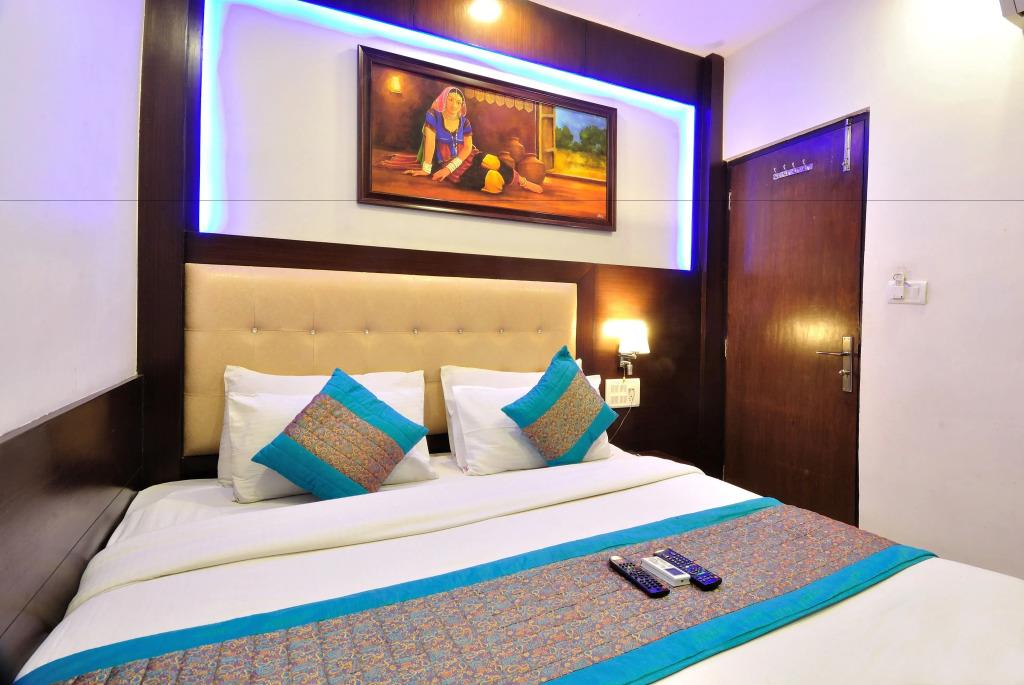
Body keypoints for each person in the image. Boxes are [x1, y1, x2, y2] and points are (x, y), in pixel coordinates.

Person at [403, 86, 543, 194]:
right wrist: (428, 169)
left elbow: (467, 148)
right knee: (494, 182)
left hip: (468, 156)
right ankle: (502, 179)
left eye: (458, 102)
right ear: (444, 99)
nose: (454, 105)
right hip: (449, 164)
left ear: (461, 106)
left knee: (493, 161)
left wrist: (448, 169)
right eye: (451, 99)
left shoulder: (464, 122)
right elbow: (430, 142)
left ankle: (523, 182)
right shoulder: (433, 116)